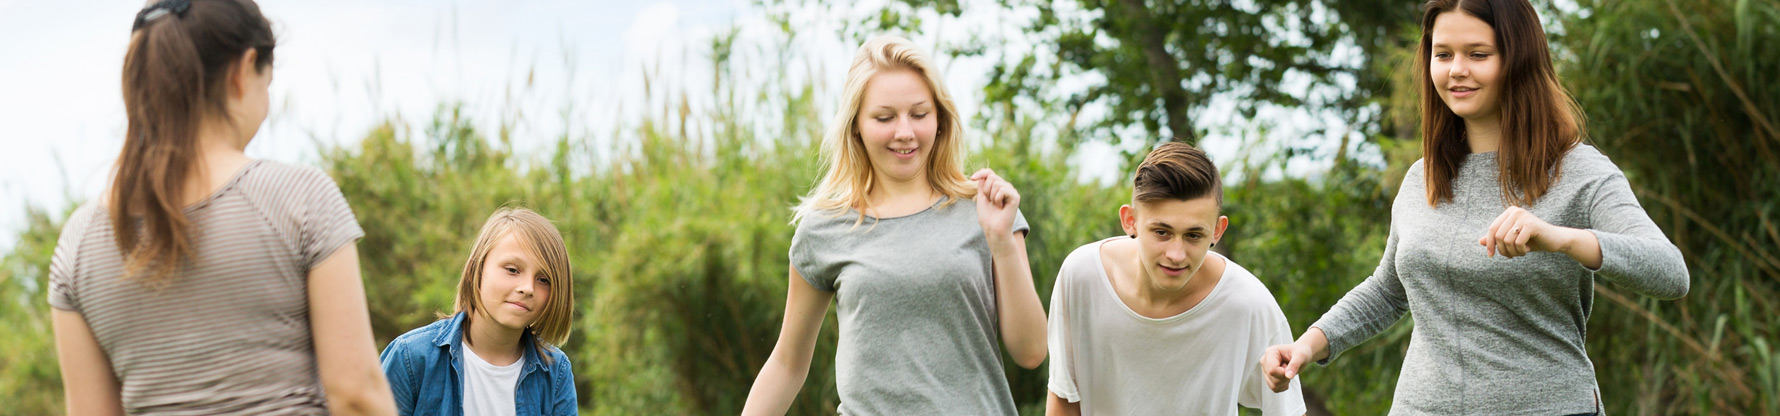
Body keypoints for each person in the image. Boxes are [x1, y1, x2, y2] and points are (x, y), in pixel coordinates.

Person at [1259, 0, 1690, 414]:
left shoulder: (1579, 172)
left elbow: (1670, 271)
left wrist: (1560, 239)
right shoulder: (1422, 177)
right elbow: (1388, 291)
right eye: (1442, 54)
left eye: (1478, 54)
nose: (1456, 70)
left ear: (1518, 60)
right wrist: (1306, 346)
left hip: (1547, 409)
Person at [48, 0, 395, 414]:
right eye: (267, 82)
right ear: (242, 70)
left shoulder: (80, 241)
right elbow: (356, 396)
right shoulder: (299, 198)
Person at [740, 34, 1047, 415]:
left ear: (940, 120)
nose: (904, 132)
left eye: (919, 114)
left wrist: (1000, 241)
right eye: (885, 118)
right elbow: (787, 365)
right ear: (856, 126)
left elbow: (1032, 351)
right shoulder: (824, 228)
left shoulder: (986, 209)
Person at [1046, 142, 1306, 415]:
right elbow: (1064, 398)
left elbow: (1289, 411)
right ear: (1130, 221)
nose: (1176, 254)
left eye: (1193, 235)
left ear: (1217, 231)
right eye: (1162, 232)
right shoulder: (1082, 276)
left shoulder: (1249, 304)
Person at [379, 207, 578, 416]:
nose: (527, 288)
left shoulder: (556, 372)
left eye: (543, 280)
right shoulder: (410, 358)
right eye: (512, 270)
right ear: (478, 268)